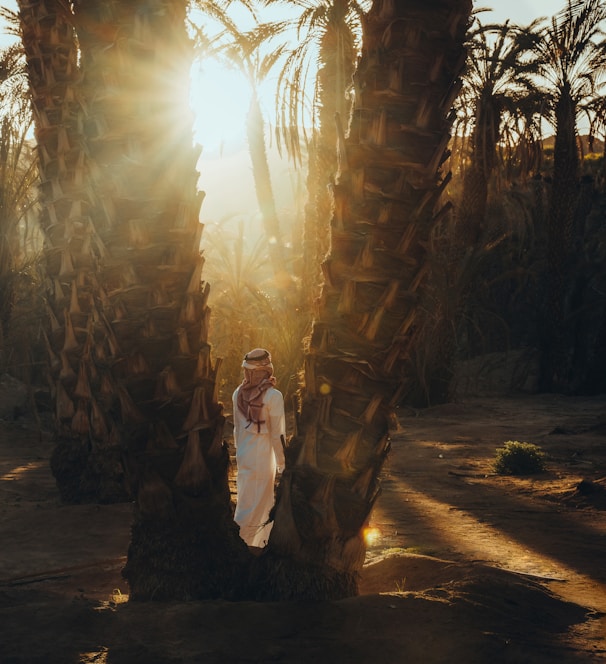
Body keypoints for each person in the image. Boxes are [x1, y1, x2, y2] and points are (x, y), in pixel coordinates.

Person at [232, 348, 286, 548]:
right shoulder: (273, 396)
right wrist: (283, 465)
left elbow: (237, 431)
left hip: (244, 457)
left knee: (248, 503)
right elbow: (277, 435)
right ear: (266, 370)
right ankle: (242, 547)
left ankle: (258, 545)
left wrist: (240, 455)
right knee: (256, 507)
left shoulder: (238, 393)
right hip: (263, 460)